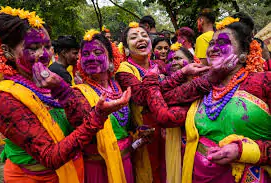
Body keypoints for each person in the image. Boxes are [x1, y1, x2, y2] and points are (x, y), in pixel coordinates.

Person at [0, 7, 130, 183]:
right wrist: (98, 115)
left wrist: (63, 91)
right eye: (34, 48)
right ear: (7, 51)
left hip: (75, 172)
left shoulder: (51, 82)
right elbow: (50, 157)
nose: (44, 55)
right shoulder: (4, 97)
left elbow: (81, 123)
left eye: (48, 46)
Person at [146, 14, 271, 183]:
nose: (213, 48)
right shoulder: (205, 84)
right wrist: (188, 73)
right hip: (198, 173)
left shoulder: (263, 82)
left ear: (243, 54)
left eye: (223, 43)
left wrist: (243, 150)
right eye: (211, 44)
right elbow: (166, 98)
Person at [116, 22, 210, 183]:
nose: (141, 39)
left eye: (144, 35)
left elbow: (166, 91)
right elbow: (141, 96)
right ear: (125, 48)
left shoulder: (159, 65)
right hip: (146, 132)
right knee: (149, 173)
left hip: (169, 129)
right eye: (134, 37)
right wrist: (179, 75)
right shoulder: (124, 69)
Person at [71, 29, 137, 183]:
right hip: (98, 167)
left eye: (97, 52)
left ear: (111, 58)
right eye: (85, 54)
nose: (91, 58)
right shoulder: (78, 93)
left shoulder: (121, 84)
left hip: (126, 161)